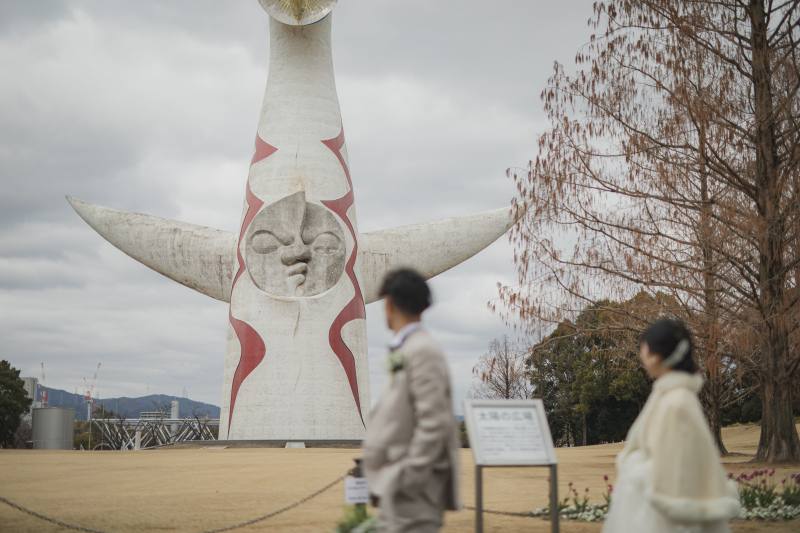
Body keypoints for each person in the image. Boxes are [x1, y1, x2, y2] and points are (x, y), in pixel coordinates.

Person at [602, 319, 741, 533]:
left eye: (643, 348)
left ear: (656, 354)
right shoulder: (669, 396)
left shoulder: (676, 402)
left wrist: (633, 467)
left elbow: (676, 475)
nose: (641, 355)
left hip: (662, 518)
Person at [362, 268, 461, 532]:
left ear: (390, 304)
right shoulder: (412, 347)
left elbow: (434, 423)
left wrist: (407, 480)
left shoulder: (422, 350)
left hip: (413, 493)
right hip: (399, 490)